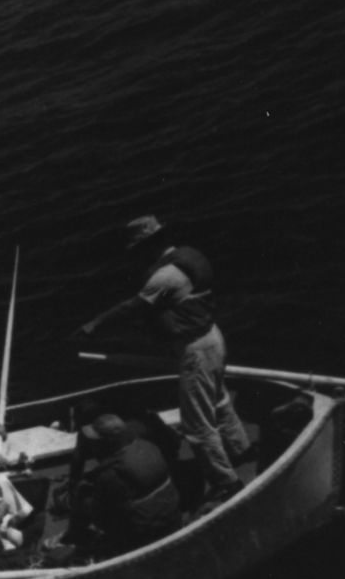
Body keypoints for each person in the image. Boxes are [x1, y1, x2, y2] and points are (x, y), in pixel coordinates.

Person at [75, 214, 251, 504]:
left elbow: (133, 307)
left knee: (197, 426)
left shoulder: (165, 276)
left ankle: (226, 482)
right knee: (218, 400)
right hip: (213, 337)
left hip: (196, 350)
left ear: (148, 245)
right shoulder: (190, 255)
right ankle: (240, 450)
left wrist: (94, 325)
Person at [68, 413, 182, 557]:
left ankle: (75, 537)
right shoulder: (148, 446)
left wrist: (81, 492)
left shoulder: (111, 475)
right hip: (172, 519)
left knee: (83, 495)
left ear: (105, 443)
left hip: (144, 535)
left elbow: (101, 515)